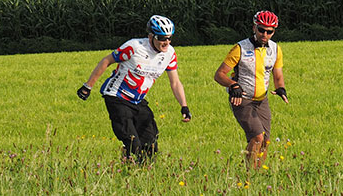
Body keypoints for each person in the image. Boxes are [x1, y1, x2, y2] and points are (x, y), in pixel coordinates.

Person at [77, 15, 191, 163]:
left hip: (138, 101)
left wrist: (184, 106)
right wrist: (88, 86)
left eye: (169, 38)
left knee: (151, 144)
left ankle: (140, 171)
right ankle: (129, 167)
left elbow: (175, 82)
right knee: (133, 143)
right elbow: (107, 60)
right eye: (162, 38)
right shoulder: (134, 47)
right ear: (151, 36)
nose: (166, 42)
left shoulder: (169, 54)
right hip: (117, 97)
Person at [214, 10, 288, 169]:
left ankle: (257, 173)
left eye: (270, 31)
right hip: (242, 98)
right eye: (261, 29)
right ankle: (248, 173)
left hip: (262, 100)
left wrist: (281, 88)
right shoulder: (240, 48)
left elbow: (278, 75)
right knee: (257, 137)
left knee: (266, 141)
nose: (265, 34)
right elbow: (219, 74)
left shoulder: (275, 49)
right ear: (254, 27)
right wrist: (233, 85)